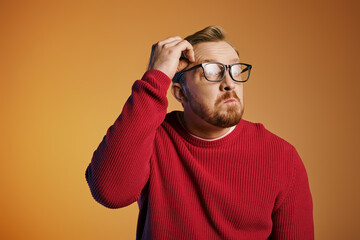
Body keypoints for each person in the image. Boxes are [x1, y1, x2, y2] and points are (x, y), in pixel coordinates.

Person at [85, 26, 314, 239]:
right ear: (180, 93)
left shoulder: (282, 157)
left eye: (235, 69)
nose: (230, 83)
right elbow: (110, 192)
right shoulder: (152, 138)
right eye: (212, 71)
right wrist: (157, 76)